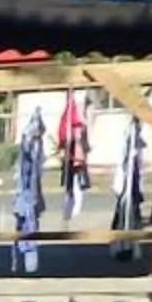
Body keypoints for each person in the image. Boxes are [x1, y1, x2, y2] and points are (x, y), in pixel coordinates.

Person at [14, 104, 48, 274]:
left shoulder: (37, 148)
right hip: (25, 195)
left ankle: (28, 262)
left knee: (30, 226)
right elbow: (26, 157)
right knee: (25, 227)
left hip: (31, 195)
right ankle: (26, 262)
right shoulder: (28, 149)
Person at [57, 93, 90, 225]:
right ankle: (69, 209)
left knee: (77, 185)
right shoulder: (69, 124)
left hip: (77, 160)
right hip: (71, 160)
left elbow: (83, 143)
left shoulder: (79, 127)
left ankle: (75, 209)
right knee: (70, 186)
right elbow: (64, 136)